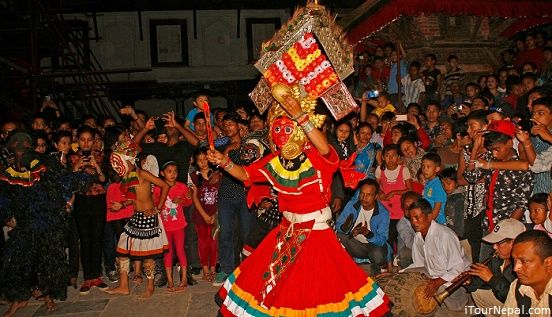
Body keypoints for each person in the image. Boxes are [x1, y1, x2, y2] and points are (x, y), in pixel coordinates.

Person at [207, 84, 391, 316]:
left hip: (316, 233)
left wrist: (299, 114)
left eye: (287, 129)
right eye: (277, 129)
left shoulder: (317, 158)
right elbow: (245, 174)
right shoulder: (273, 161)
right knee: (273, 287)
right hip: (286, 232)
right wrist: (223, 162)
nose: (282, 135)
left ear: (298, 130)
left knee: (318, 290)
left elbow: (325, 149)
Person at [0, 130, 92, 316]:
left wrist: (78, 177)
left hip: (45, 220)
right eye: (16, 145)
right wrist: (7, 215)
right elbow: (5, 196)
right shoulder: (6, 170)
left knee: (46, 260)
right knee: (19, 261)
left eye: (23, 144)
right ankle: (20, 298)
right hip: (25, 222)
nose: (20, 148)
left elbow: (59, 184)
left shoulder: (44, 163)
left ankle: (48, 295)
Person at [105, 140, 170, 298]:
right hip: (136, 217)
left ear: (127, 160)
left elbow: (165, 186)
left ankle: (150, 287)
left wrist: (158, 208)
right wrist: (121, 205)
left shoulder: (142, 173)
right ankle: (123, 285)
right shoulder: (129, 177)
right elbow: (133, 198)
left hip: (148, 217)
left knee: (147, 255)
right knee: (121, 250)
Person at [464, 120, 533, 260]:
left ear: (509, 143)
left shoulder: (520, 168)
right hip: (488, 224)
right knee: (484, 265)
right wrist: (475, 149)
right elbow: (471, 176)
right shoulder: (490, 158)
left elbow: (521, 205)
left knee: (502, 272)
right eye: (491, 149)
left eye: (497, 149)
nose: (494, 154)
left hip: (506, 231)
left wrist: (505, 234)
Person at [402, 197, 471, 311]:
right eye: (411, 218)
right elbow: (418, 264)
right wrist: (397, 273)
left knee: (455, 307)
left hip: (454, 280)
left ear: (429, 217)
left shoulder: (445, 235)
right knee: (408, 276)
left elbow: (458, 267)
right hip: (434, 275)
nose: (413, 222)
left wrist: (437, 282)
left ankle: (463, 298)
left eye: (417, 217)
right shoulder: (418, 237)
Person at [463, 219, 526, 317]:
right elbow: (481, 283)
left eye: (499, 243)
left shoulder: (526, 266)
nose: (494, 247)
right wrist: (469, 282)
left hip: (520, 308)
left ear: (514, 243)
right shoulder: (498, 258)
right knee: (478, 292)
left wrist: (492, 279)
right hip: (504, 302)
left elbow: (519, 299)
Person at [336, 178, 390, 274]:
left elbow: (382, 240)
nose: (364, 197)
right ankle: (360, 267)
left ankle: (377, 268)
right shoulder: (352, 205)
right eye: (362, 193)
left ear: (376, 196)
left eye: (369, 195)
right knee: (338, 237)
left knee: (378, 255)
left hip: (372, 247)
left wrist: (367, 233)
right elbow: (339, 224)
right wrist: (344, 228)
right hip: (356, 245)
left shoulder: (383, 213)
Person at [154, 161, 192, 292]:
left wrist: (181, 200)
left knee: (181, 250)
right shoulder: (159, 188)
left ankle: (184, 279)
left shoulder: (181, 186)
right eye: (169, 172)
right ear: (162, 173)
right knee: (168, 253)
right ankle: (170, 281)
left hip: (179, 225)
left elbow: (188, 202)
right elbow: (154, 203)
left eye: (175, 171)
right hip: (165, 227)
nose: (173, 174)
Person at [501, 230, 552, 317]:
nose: (515, 268)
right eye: (514, 260)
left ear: (548, 263)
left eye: (524, 261)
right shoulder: (517, 287)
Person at [375, 144, 412, 250]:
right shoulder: (379, 170)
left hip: (400, 210)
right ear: (382, 157)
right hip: (385, 210)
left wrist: (394, 192)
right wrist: (380, 192)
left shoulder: (403, 170)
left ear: (398, 157)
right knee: (388, 237)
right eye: (387, 156)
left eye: (393, 155)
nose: (390, 159)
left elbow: (410, 190)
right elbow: (376, 186)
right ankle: (389, 260)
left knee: (400, 237)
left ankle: (400, 260)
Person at [421, 152, 447, 224]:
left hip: (438, 222)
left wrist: (429, 223)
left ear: (437, 169)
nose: (425, 169)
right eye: (423, 166)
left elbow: (437, 208)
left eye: (428, 167)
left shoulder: (437, 185)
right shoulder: (429, 183)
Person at [396, 191, 419, 268]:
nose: (407, 211)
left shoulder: (424, 217)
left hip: (420, 248)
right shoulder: (402, 224)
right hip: (408, 252)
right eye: (405, 208)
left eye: (411, 208)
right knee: (405, 254)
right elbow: (410, 244)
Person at [440, 167, 464, 239]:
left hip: (459, 237)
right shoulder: (450, 197)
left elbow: (460, 221)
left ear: (457, 182)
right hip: (452, 235)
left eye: (448, 183)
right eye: (443, 184)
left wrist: (458, 237)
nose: (445, 187)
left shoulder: (459, 199)